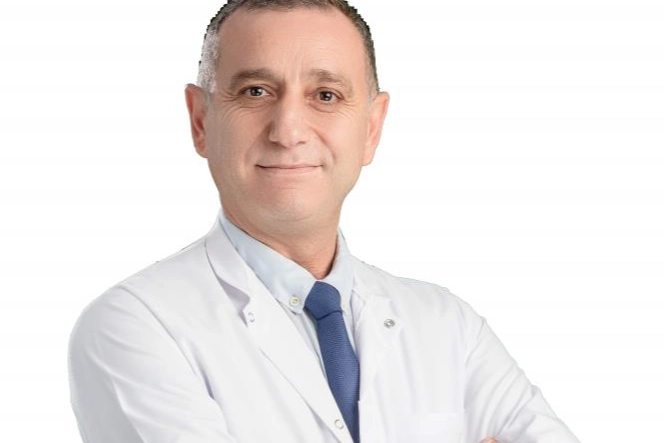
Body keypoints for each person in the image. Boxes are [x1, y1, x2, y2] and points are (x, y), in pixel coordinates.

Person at [67, 1, 581, 442]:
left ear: (372, 128)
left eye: (326, 95)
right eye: (255, 91)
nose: (288, 129)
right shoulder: (134, 326)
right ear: (201, 121)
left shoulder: (448, 325)